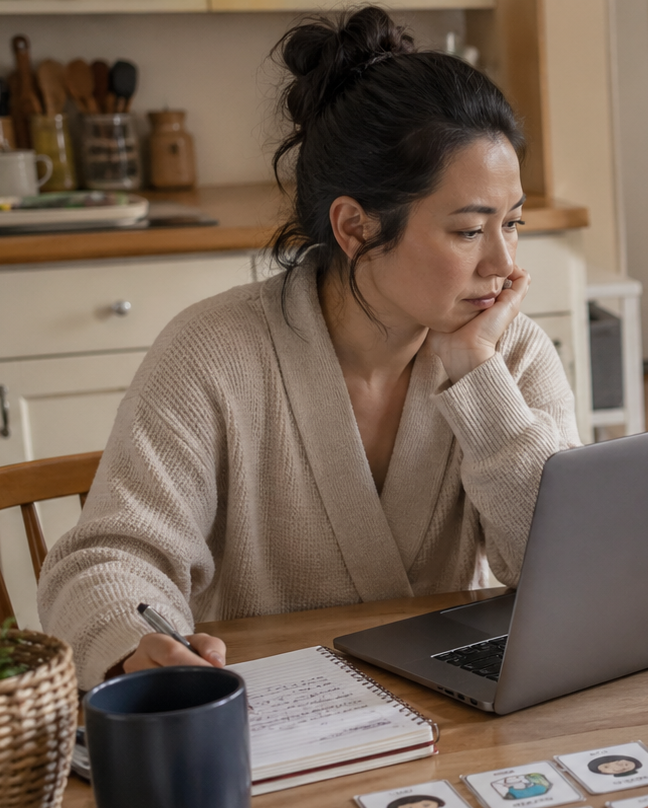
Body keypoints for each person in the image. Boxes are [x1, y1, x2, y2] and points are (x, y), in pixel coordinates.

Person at [37, 6, 581, 688]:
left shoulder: (511, 353)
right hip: (272, 717)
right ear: (355, 226)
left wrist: (479, 376)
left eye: (514, 222)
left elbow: (575, 579)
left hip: (456, 714)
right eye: (469, 231)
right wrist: (141, 643)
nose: (503, 262)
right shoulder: (211, 353)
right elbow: (108, 558)